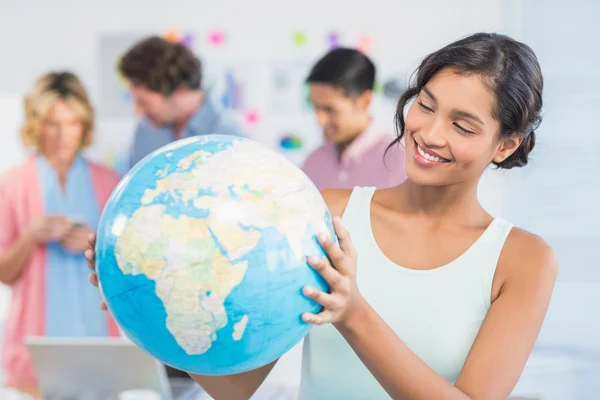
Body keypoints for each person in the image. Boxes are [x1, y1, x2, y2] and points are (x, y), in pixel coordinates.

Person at [87, 32, 557, 399]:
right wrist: (160, 301)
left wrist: (352, 314)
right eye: (426, 106)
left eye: (462, 125)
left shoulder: (523, 261)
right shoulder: (324, 212)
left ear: (506, 144)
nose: (429, 133)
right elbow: (238, 388)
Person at [0, 72, 121, 390]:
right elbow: (3, 273)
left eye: (72, 122)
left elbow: (130, 268)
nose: (63, 134)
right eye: (53, 123)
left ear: (84, 125)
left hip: (100, 346)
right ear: (36, 124)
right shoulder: (12, 184)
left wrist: (97, 247)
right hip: (33, 354)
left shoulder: (111, 183)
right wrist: (29, 237)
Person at [119, 36, 246, 169]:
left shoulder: (231, 139)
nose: (137, 111)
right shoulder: (145, 131)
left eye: (144, 102)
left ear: (181, 90)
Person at [302, 48, 406, 189]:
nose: (320, 121)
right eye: (315, 106)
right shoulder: (313, 163)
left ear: (364, 101)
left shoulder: (400, 162)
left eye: (330, 110)